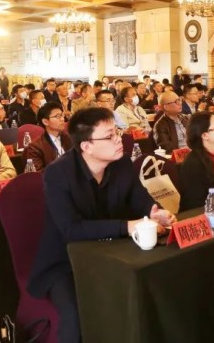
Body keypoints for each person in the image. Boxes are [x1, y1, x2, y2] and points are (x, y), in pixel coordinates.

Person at [28, 107, 176, 342]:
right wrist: (127, 226)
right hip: (66, 261)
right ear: (87, 146)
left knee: (150, 291)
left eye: (117, 132)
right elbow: (71, 229)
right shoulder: (58, 173)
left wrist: (154, 212)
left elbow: (139, 197)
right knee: (77, 315)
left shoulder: (122, 162)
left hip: (112, 251)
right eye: (109, 136)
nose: (119, 139)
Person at [27, 103, 72, 171]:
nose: (62, 119)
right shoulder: (35, 147)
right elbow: (38, 173)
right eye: (58, 116)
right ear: (45, 122)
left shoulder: (70, 138)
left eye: (62, 115)